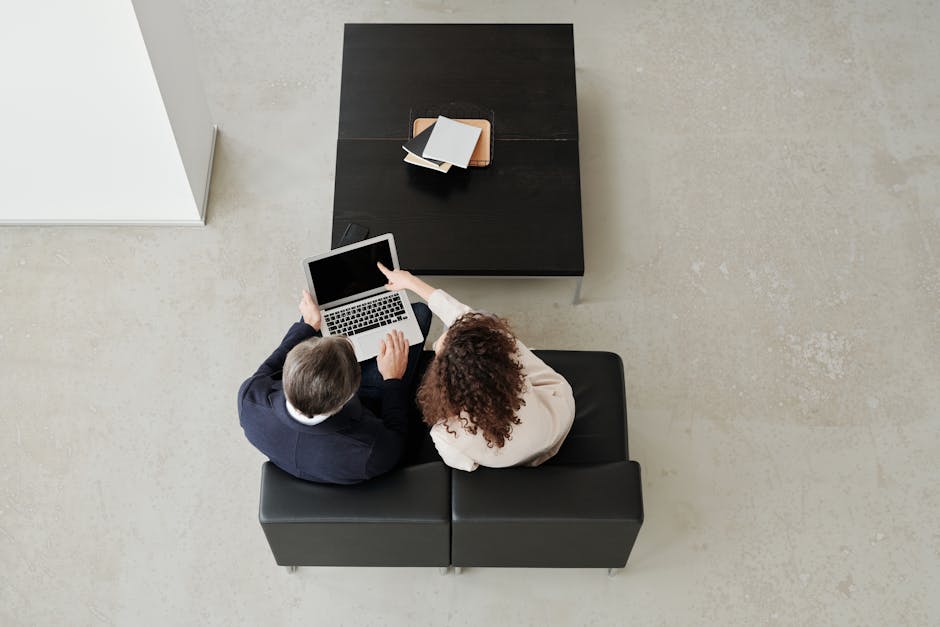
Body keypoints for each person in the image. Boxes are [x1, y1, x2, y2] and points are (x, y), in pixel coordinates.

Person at [378, 263, 576, 471]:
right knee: (483, 320)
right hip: (557, 417)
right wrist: (411, 282)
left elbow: (468, 465)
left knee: (476, 322)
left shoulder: (446, 433)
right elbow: (468, 319)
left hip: (529, 441)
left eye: (438, 353)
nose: (436, 347)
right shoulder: (513, 373)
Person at [238, 289, 431, 484]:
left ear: (288, 373)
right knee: (420, 313)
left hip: (324, 410)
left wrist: (307, 326)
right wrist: (392, 379)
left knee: (323, 315)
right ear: (350, 395)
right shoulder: (371, 452)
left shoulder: (249, 399)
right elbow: (396, 433)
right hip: (370, 403)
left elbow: (272, 365)